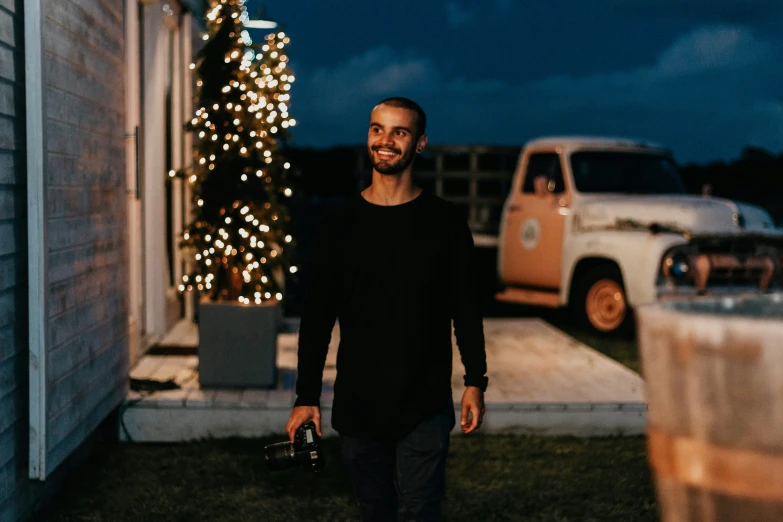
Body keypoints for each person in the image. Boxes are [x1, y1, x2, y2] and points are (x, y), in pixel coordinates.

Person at [286, 97, 488, 522]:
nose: (386, 140)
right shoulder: (339, 225)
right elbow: (317, 319)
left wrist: (475, 380)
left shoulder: (446, 223)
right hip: (359, 405)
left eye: (399, 132)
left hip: (425, 402)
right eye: (378, 129)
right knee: (374, 511)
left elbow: (465, 309)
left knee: (419, 511)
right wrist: (306, 397)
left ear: (419, 144)